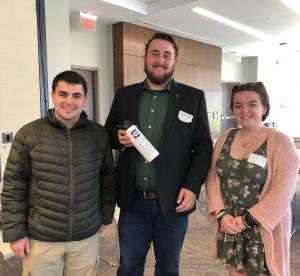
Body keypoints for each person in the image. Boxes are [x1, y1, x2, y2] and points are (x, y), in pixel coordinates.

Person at [105, 32, 213, 276]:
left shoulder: (193, 98)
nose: (160, 60)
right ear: (145, 57)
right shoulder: (125, 94)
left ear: (176, 61)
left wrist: (193, 187)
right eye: (155, 53)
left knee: (167, 267)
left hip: (174, 202)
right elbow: (108, 131)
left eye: (167, 55)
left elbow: (204, 147)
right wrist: (118, 138)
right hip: (133, 202)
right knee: (129, 266)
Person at [1, 70, 115, 276]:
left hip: (84, 237)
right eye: (63, 94)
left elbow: (107, 178)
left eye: (76, 95)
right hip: (42, 238)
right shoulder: (29, 134)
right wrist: (15, 233)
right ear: (52, 95)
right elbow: (13, 186)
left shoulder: (98, 134)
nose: (69, 101)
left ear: (85, 99)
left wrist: (105, 216)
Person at [206, 82, 299, 276]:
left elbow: (283, 191)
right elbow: (213, 178)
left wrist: (246, 220)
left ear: (264, 108)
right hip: (229, 225)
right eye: (238, 105)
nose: (244, 110)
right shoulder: (225, 138)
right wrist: (221, 216)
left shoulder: (281, 141)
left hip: (262, 228)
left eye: (252, 104)